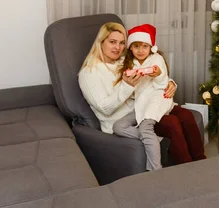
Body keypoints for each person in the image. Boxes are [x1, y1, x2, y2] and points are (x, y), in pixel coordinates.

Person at [78, 22, 206, 168]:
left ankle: (201, 161)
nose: (118, 48)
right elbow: (105, 108)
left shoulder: (123, 61)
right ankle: (187, 169)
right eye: (112, 42)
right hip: (125, 120)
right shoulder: (89, 73)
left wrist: (170, 83)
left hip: (143, 106)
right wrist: (127, 86)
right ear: (100, 43)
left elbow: (147, 75)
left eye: (121, 43)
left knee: (185, 115)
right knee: (172, 124)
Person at [111, 24, 176, 171]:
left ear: (151, 47)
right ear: (131, 48)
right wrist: (128, 81)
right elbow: (131, 91)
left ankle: (155, 170)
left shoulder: (157, 59)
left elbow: (162, 84)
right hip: (140, 103)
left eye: (144, 46)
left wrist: (158, 74)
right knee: (118, 127)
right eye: (136, 46)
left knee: (146, 128)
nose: (140, 51)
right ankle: (157, 141)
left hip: (157, 99)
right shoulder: (129, 63)